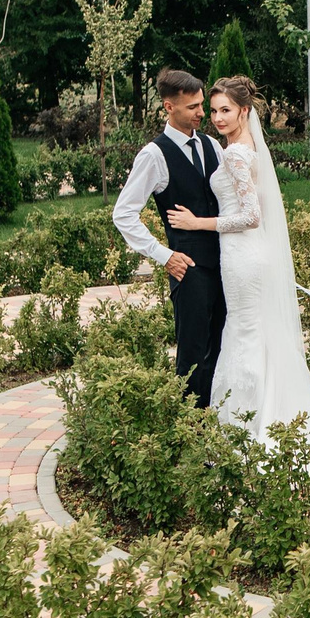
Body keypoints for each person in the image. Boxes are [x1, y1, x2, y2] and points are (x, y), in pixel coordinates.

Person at [163, 75, 310, 490]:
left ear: (244, 111)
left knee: (245, 331)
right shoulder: (240, 149)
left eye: (227, 110)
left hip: (243, 255)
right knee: (252, 331)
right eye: (214, 110)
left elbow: (250, 216)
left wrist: (197, 223)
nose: (218, 117)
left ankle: (251, 426)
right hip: (241, 256)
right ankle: (264, 416)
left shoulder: (236, 157)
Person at [110, 68, 226, 404]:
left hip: (226, 263)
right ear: (168, 107)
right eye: (193, 107)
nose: (202, 113)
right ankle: (190, 432)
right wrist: (164, 255)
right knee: (192, 355)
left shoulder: (212, 146)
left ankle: (217, 423)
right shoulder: (154, 155)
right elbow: (124, 213)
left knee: (221, 347)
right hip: (189, 268)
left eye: (202, 104)